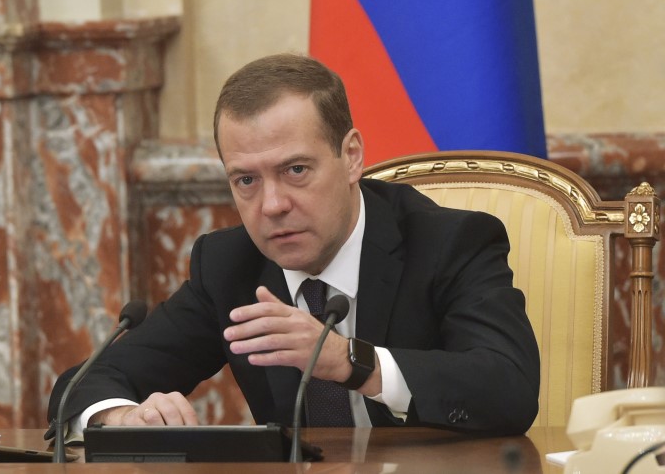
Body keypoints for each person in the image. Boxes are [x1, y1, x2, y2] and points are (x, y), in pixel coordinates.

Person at [47, 53, 540, 436]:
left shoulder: (449, 242)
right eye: (246, 180)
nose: (272, 205)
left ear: (350, 157)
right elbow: (85, 383)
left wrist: (350, 361)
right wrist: (121, 418)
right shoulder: (229, 266)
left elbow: (508, 388)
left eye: (295, 170)